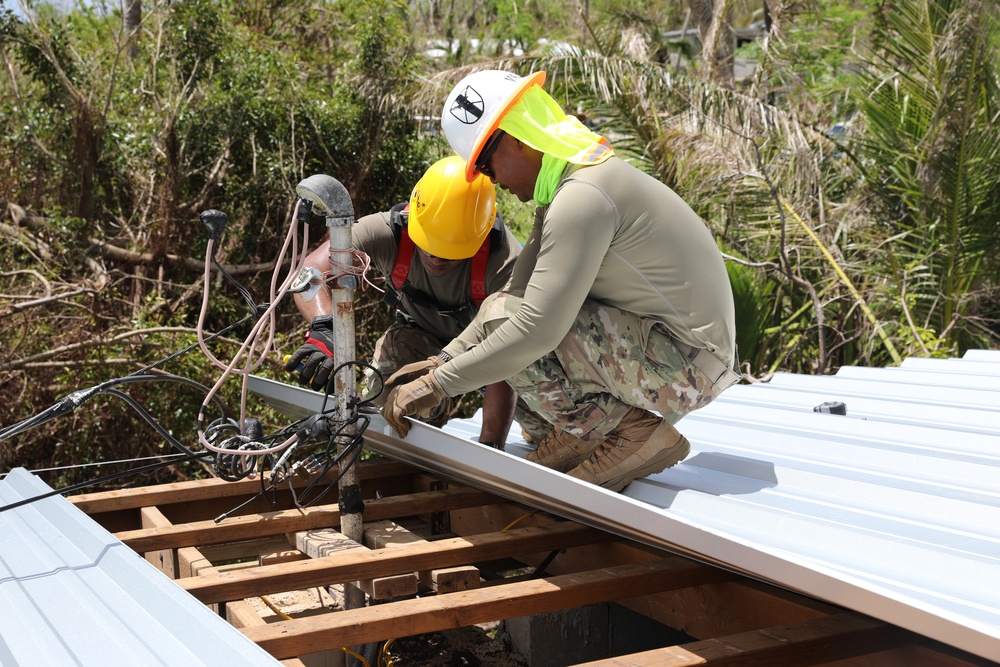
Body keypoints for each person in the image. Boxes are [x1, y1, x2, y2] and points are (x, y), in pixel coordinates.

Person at [383, 70, 740, 492]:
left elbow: (536, 328)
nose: (489, 179)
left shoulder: (583, 197)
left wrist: (437, 386)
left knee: (513, 328)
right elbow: (510, 295)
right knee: (501, 310)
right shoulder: (570, 185)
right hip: (670, 351)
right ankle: (585, 429)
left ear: (517, 138)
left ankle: (636, 435)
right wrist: (441, 361)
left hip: (687, 368)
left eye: (483, 163)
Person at [286, 155, 522, 447]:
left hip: (491, 352)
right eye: (429, 245)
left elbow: (508, 356)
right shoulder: (387, 232)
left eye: (449, 252)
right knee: (390, 402)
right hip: (420, 341)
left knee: (545, 406)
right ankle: (422, 430)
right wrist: (323, 325)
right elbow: (309, 272)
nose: (435, 258)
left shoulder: (506, 264)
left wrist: (490, 449)